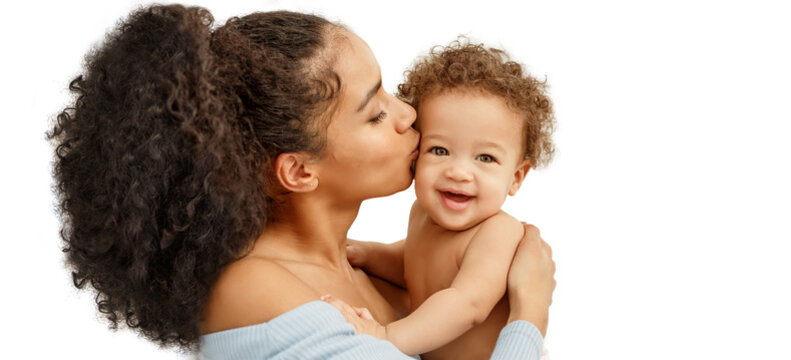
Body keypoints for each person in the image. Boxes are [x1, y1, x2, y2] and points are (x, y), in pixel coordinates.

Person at [47, 4, 554, 359]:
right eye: (375, 114)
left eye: (391, 95)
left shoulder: (365, 270)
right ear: (299, 170)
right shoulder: (250, 288)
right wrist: (530, 312)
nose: (409, 115)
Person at [343, 40, 555, 359]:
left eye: (484, 158)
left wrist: (385, 336)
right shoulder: (421, 214)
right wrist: (370, 254)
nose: (458, 172)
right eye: (439, 150)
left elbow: (466, 303)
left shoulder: (499, 234)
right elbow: (415, 262)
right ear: (416, 153)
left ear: (516, 177)